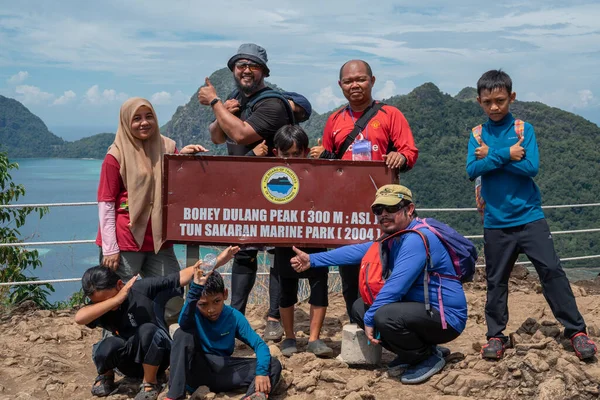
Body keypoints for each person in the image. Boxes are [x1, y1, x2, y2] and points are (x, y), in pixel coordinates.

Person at [466, 69, 597, 360]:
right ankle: (495, 336)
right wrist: (506, 154)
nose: (494, 107)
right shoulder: (476, 134)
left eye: (500, 100)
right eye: (488, 102)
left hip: (529, 216)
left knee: (552, 272)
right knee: (496, 280)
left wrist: (491, 155)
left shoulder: (525, 130)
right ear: (479, 101)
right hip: (495, 221)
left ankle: (576, 331)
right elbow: (471, 170)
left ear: (511, 97)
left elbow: (530, 168)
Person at [291, 185, 467, 384]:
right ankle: (421, 350)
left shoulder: (416, 239)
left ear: (409, 209)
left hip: (446, 318)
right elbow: (358, 252)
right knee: (359, 307)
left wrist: (371, 317)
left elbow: (396, 286)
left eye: (391, 209)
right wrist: (312, 260)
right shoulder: (396, 236)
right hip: (422, 312)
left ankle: (425, 358)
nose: (383, 215)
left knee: (382, 315)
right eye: (378, 210)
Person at [198, 43, 312, 341]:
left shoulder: (272, 104)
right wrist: (222, 108)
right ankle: (236, 313)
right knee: (243, 252)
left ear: (264, 71)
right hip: (244, 188)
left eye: (253, 65)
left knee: (277, 251)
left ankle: (273, 317)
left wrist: (215, 103)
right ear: (234, 70)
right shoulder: (236, 99)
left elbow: (239, 134)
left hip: (276, 188)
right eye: (240, 65)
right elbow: (217, 135)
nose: (246, 70)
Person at [309, 59, 419, 324]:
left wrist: (399, 157)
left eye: (360, 79)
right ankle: (357, 323)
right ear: (340, 85)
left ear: (372, 80)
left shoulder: (390, 115)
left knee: (388, 268)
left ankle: (390, 324)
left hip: (386, 211)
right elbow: (328, 163)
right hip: (346, 211)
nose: (354, 85)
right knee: (351, 272)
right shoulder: (335, 120)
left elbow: (410, 151)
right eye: (348, 81)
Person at [74, 245, 239, 400]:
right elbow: (79, 318)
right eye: (100, 303)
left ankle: (150, 383)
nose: (106, 307)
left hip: (158, 355)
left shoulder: (143, 289)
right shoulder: (102, 306)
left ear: (119, 284)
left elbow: (181, 276)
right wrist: (115, 300)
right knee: (105, 346)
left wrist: (217, 261)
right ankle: (106, 376)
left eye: (108, 300)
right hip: (128, 361)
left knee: (147, 330)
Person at [96, 97, 207, 281]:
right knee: (119, 296)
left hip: (158, 240)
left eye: (149, 116)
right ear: (126, 122)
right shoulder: (115, 156)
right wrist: (110, 248)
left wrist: (183, 157)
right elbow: (106, 203)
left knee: (171, 295)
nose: (144, 123)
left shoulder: (167, 146)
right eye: (136, 118)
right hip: (126, 240)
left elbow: (172, 175)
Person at [164, 270, 282, 400]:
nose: (211, 309)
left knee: (273, 364)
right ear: (196, 302)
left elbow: (259, 345)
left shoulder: (234, 316)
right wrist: (195, 291)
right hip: (195, 372)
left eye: (216, 301)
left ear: (225, 294)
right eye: (203, 304)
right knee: (182, 334)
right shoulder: (192, 314)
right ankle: (174, 396)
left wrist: (261, 373)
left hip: (223, 372)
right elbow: (183, 322)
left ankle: (254, 395)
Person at [270, 125, 333, 358]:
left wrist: (324, 158)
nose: (291, 159)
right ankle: (289, 337)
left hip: (316, 234)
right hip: (283, 235)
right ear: (277, 153)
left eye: (297, 154)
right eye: (286, 154)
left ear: (306, 152)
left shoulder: (320, 169)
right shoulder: (267, 172)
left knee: (319, 284)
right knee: (286, 288)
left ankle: (315, 339)